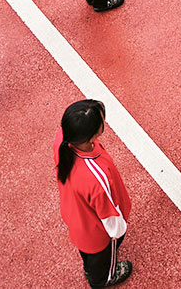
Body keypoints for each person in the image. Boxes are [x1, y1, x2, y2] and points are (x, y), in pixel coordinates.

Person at [55, 99, 133, 287]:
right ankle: (104, 279)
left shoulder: (61, 140)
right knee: (103, 258)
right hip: (98, 233)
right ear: (92, 136)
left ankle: (91, 270)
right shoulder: (96, 177)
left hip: (78, 220)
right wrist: (119, 232)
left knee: (89, 256)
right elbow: (111, 222)